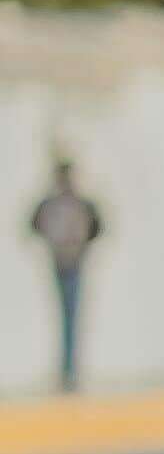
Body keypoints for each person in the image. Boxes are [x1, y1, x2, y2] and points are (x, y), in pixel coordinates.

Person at [28, 151, 96, 395]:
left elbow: (96, 225)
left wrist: (80, 247)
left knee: (72, 317)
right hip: (59, 263)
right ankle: (65, 371)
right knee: (64, 317)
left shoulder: (79, 204)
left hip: (74, 264)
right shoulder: (53, 204)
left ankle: (70, 371)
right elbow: (33, 223)